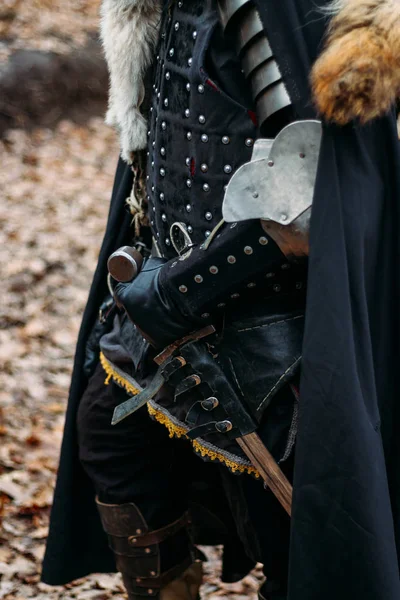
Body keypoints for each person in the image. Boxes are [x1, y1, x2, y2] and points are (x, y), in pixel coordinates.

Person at [42, 1, 400, 599]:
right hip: (159, 296)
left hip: (275, 326)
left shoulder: (275, 9)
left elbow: (306, 202)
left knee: (296, 538)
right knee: (111, 443)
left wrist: (179, 295)